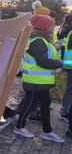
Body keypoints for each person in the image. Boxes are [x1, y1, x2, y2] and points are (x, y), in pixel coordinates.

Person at [14, 14, 64, 142]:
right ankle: (19, 127)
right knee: (29, 106)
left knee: (45, 105)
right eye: (51, 24)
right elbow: (43, 62)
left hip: (40, 82)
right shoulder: (38, 42)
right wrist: (59, 63)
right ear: (43, 28)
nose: (54, 26)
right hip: (34, 82)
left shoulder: (43, 41)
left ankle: (47, 131)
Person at [58, 14, 72, 122]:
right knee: (69, 89)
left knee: (69, 88)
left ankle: (65, 110)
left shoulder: (67, 29)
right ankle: (65, 113)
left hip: (68, 63)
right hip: (70, 64)